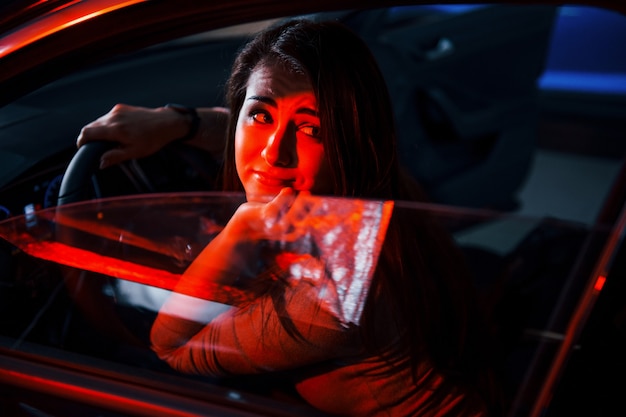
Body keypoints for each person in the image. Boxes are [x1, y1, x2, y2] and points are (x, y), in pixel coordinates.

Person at [77, 18, 499, 417]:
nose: (274, 152)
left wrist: (241, 230)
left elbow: (170, 347)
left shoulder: (331, 296)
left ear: (349, 145)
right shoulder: (384, 191)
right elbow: (238, 130)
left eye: (311, 129)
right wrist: (177, 122)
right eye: (261, 115)